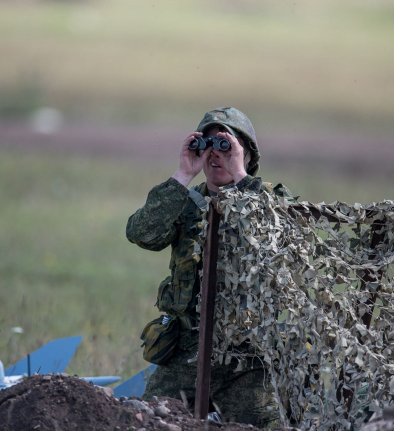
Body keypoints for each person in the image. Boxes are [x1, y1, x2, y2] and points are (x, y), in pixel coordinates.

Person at [126, 107, 296, 425]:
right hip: (188, 350)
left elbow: (279, 239)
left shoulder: (270, 200)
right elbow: (141, 234)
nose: (216, 156)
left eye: (226, 146)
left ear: (246, 153)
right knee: (150, 421)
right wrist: (182, 175)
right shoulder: (185, 202)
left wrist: (242, 177)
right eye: (208, 145)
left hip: (247, 359)